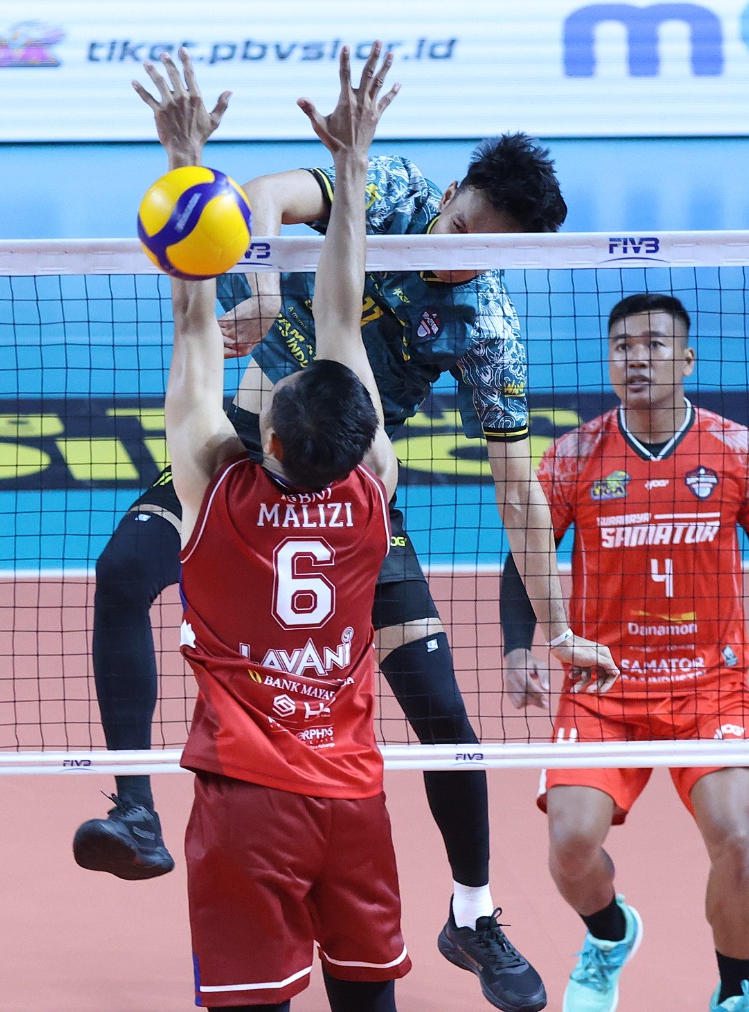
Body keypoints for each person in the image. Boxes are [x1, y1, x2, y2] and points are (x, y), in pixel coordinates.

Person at [80, 46, 613, 1012]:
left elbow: (518, 488)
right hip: (245, 445)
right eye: (459, 228)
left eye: (483, 251)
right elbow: (261, 200)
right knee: (123, 574)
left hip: (348, 480)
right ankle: (134, 808)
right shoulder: (396, 190)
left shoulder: (489, 327)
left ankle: (474, 912)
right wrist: (262, 276)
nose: (455, 254)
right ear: (448, 196)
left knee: (442, 712)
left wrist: (558, 623)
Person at [131, 46, 412, 1010]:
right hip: (354, 797)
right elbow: (342, 318)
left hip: (249, 805)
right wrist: (354, 166)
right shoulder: (373, 485)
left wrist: (186, 164)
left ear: (274, 437)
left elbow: (193, 327)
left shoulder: (216, 482)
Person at [500, 293, 749, 1012]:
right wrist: (517, 647)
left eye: (654, 344)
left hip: (709, 688)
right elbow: (526, 556)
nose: (636, 358)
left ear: (687, 359)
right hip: (602, 684)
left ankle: (735, 993)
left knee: (735, 838)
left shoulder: (738, 450)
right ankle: (610, 936)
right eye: (622, 346)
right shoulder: (574, 456)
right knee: (570, 845)